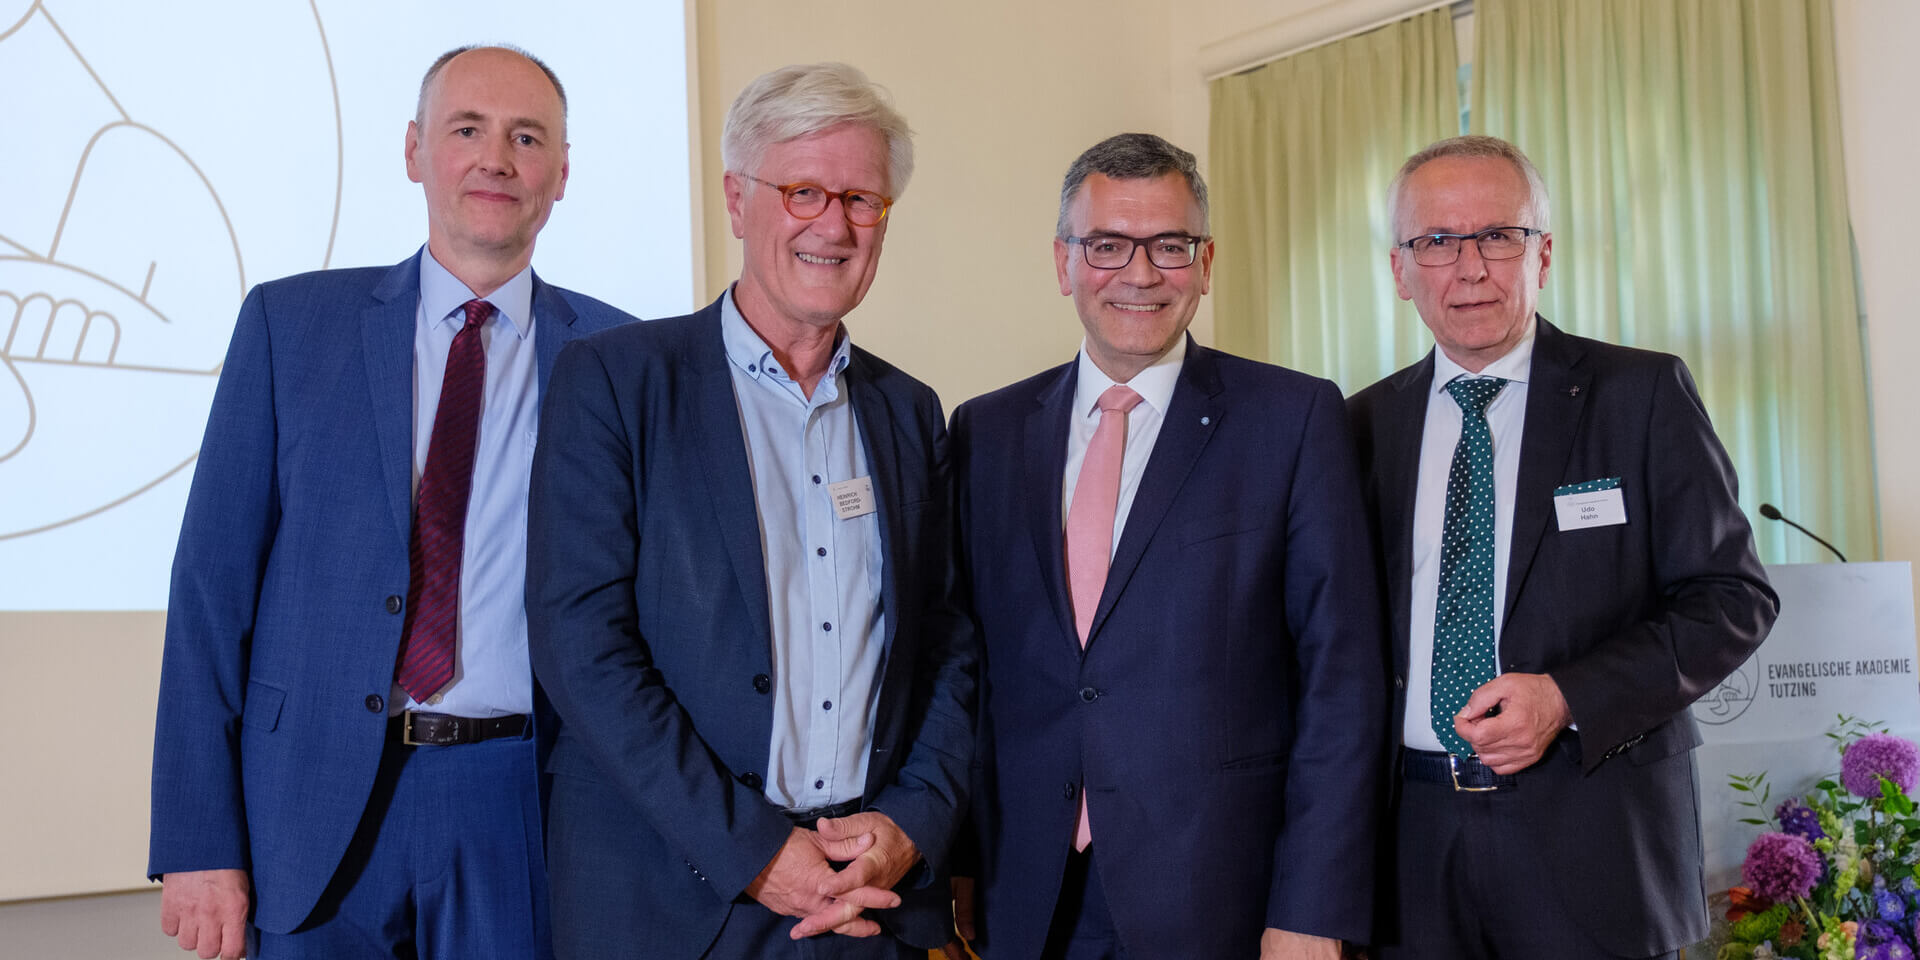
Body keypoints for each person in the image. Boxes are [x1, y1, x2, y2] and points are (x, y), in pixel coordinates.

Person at [148, 45, 635, 959]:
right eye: (466, 130)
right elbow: (210, 590)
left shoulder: (625, 357)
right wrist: (199, 840)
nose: (495, 157)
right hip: (312, 803)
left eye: (526, 137)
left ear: (561, 174)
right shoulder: (289, 328)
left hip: (524, 803)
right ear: (415, 150)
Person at [525, 62, 976, 959]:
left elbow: (945, 645)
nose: (835, 225)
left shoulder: (909, 411)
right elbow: (582, 647)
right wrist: (756, 849)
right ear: (737, 200)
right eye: (804, 190)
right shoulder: (618, 383)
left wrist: (909, 823)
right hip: (671, 901)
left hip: (862, 901)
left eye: (862, 199)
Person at [946, 132, 1387, 960]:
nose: (1140, 274)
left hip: (1221, 894)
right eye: (1108, 245)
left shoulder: (1291, 420)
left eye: (1170, 246)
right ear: (1063, 262)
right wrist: (965, 861)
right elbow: (971, 668)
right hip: (1030, 893)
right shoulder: (986, 431)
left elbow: (1341, 682)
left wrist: (1313, 907)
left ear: (1206, 259)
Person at [1346, 134, 1779, 959]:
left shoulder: (1641, 395)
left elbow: (1733, 601)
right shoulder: (1358, 427)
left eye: (1498, 236)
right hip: (1410, 848)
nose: (1469, 266)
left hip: (1595, 838)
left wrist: (1568, 697)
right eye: (1437, 241)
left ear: (1542, 255)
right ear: (1401, 271)